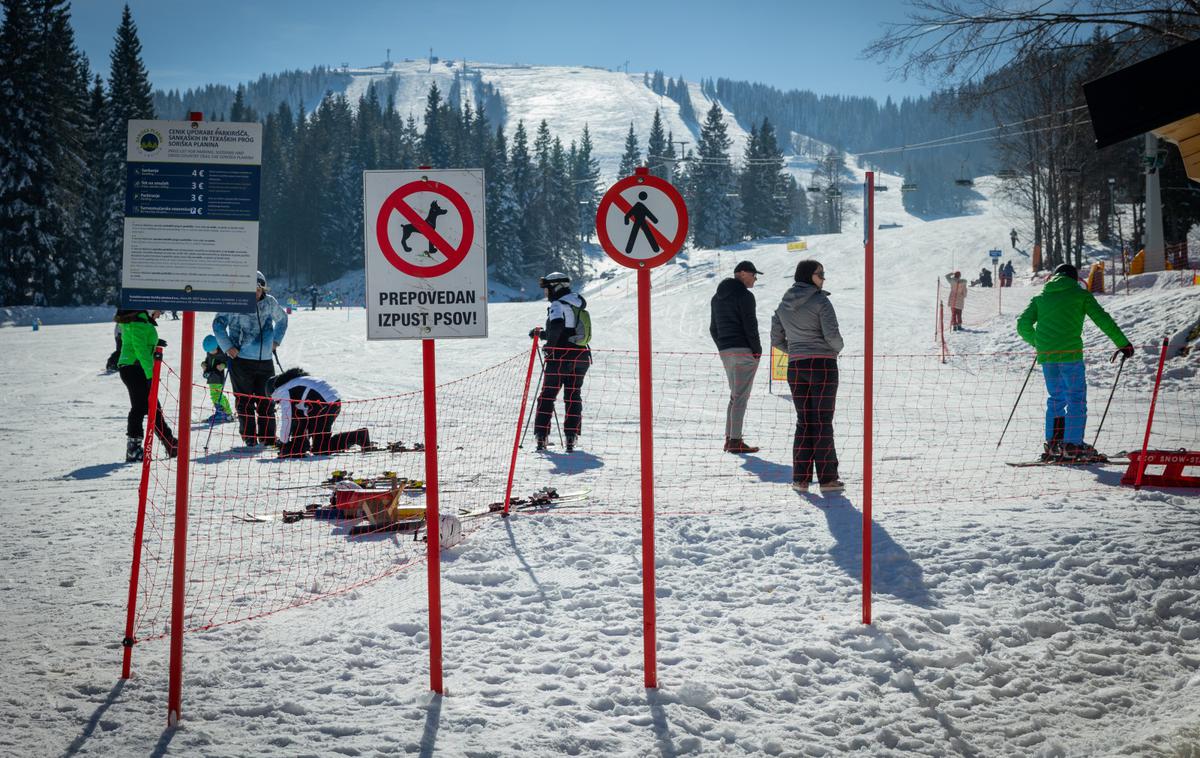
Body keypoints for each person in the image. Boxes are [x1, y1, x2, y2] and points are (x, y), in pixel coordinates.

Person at [1017, 263, 1134, 462]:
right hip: (1070, 355)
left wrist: (1039, 343)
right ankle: (1072, 445)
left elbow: (1022, 325)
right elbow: (1103, 320)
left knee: (1056, 398)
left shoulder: (1041, 298)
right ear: (1074, 278)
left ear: (1054, 277)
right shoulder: (1080, 295)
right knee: (1076, 398)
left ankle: (1054, 443)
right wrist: (1123, 343)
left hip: (1048, 357)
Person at [771, 259, 844, 494]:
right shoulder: (821, 301)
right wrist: (835, 349)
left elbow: (776, 339)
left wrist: (796, 350)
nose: (823, 278)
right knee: (822, 421)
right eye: (820, 274)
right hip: (822, 364)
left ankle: (800, 479)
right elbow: (832, 336)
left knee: (804, 420)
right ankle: (827, 479)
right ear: (808, 276)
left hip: (796, 366)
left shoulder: (783, 305)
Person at [212, 271, 289, 447]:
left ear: (262, 289)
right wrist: (228, 347)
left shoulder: (269, 302)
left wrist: (276, 340)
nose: (255, 293)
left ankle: (268, 438)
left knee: (267, 401)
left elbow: (282, 319)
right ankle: (249, 438)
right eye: (250, 289)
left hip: (265, 361)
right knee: (244, 401)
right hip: (241, 360)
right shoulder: (235, 302)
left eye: (257, 289)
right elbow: (218, 324)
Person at [530, 272, 591, 452]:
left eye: (547, 288)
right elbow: (568, 330)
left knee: (547, 396)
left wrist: (550, 346)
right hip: (580, 355)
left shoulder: (557, 304)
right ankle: (571, 438)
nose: (546, 293)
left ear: (556, 287)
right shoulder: (575, 303)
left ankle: (541, 437)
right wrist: (542, 335)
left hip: (560, 357)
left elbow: (557, 326)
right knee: (573, 396)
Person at [709, 260, 764, 453]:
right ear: (741, 273)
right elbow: (751, 326)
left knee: (735, 396)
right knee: (741, 397)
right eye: (753, 274)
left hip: (726, 351)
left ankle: (730, 438)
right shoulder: (745, 296)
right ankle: (735, 440)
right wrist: (757, 351)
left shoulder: (716, 298)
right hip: (743, 350)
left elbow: (713, 328)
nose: (755, 278)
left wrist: (723, 347)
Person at [114, 309, 177, 462]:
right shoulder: (138, 322)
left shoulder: (141, 321)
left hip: (137, 367)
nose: (160, 313)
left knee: (154, 406)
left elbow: (141, 343)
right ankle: (133, 449)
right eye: (159, 310)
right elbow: (139, 349)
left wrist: (154, 343)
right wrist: (151, 375)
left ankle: (170, 443)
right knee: (140, 407)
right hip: (133, 368)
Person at [267, 368, 372, 459]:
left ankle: (358, 436)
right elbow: (300, 419)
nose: (278, 403)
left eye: (276, 401)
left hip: (324, 406)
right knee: (300, 419)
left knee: (320, 448)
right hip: (331, 403)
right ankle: (301, 446)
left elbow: (287, 419)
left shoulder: (283, 391)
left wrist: (283, 442)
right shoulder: (294, 383)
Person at [200, 335, 234, 424]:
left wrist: (223, 365)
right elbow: (207, 360)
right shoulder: (210, 353)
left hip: (217, 378)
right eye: (209, 351)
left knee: (216, 395)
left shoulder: (222, 353)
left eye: (212, 350)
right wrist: (203, 364)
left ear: (217, 346)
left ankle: (221, 414)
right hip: (211, 377)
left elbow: (228, 362)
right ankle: (228, 413)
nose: (211, 352)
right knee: (220, 395)